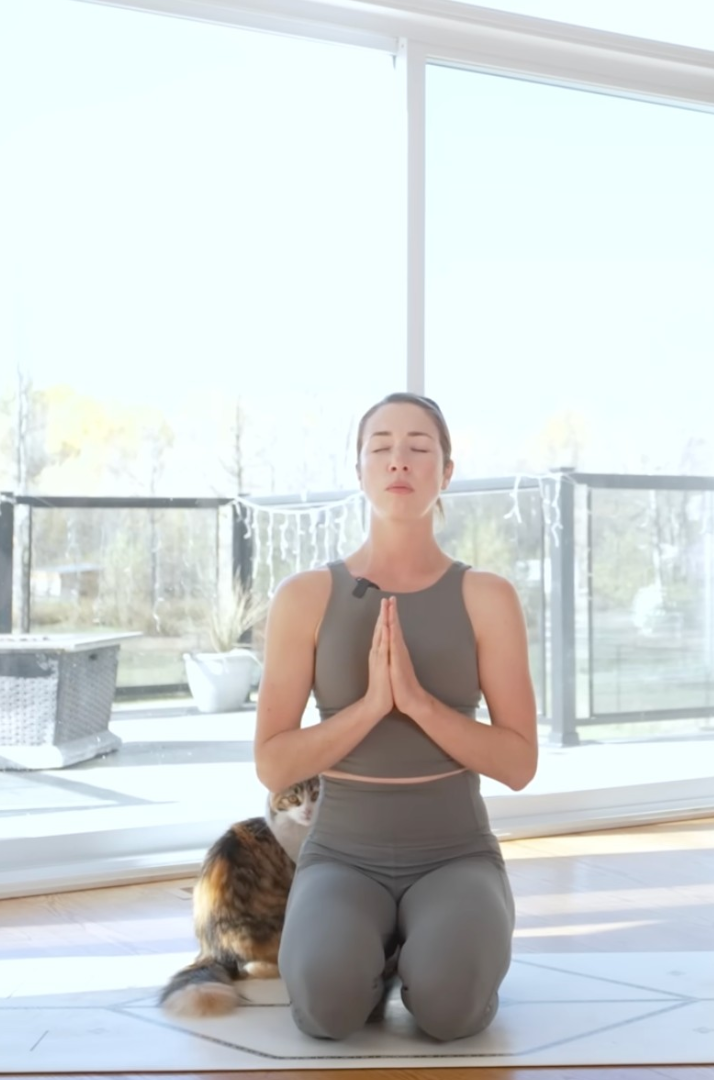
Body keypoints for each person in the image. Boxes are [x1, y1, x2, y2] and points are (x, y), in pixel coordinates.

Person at [252, 392, 538, 1042]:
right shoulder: (305, 597)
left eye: (419, 447)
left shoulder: (486, 597)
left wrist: (418, 703)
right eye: (380, 447)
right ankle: (373, 960)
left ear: (447, 471)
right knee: (325, 1010)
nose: (399, 460)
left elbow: (519, 763)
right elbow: (273, 762)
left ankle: (433, 949)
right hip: (341, 856)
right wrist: (373, 706)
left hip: (456, 854)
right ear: (358, 470)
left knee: (449, 1009)